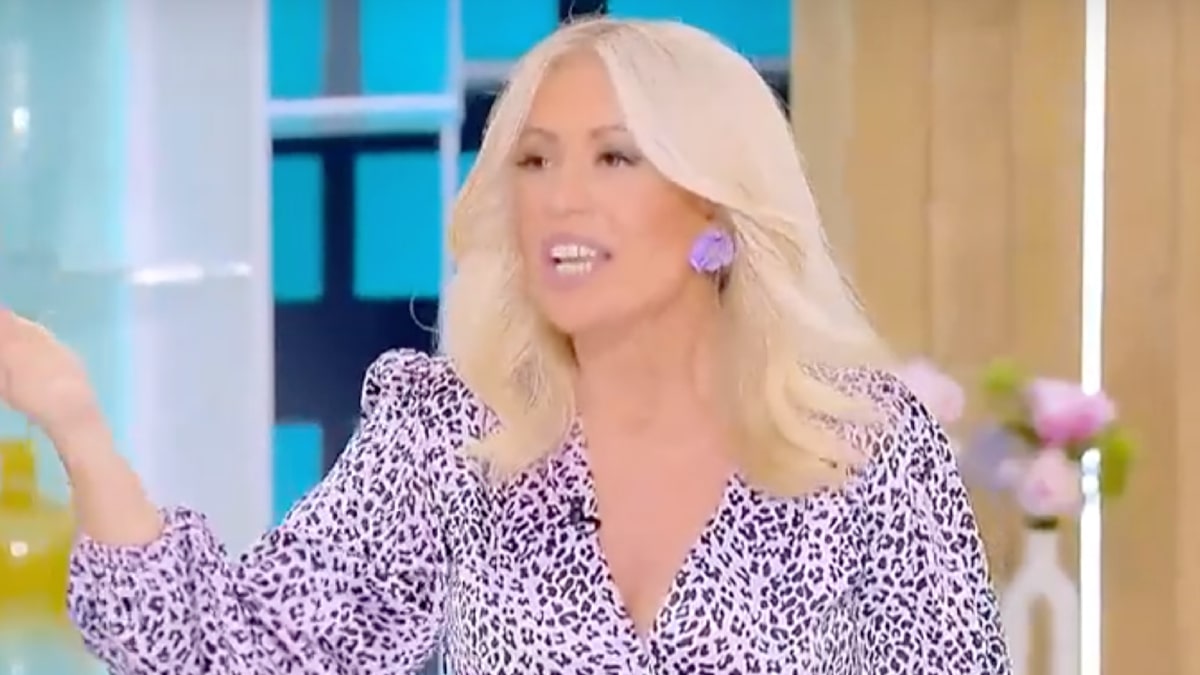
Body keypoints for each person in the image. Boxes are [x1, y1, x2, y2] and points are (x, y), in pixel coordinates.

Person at [0, 17, 1011, 675]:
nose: (561, 197)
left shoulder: (863, 448)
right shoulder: (448, 441)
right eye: (534, 160)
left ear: (717, 206)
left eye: (615, 158)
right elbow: (230, 653)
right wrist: (75, 422)